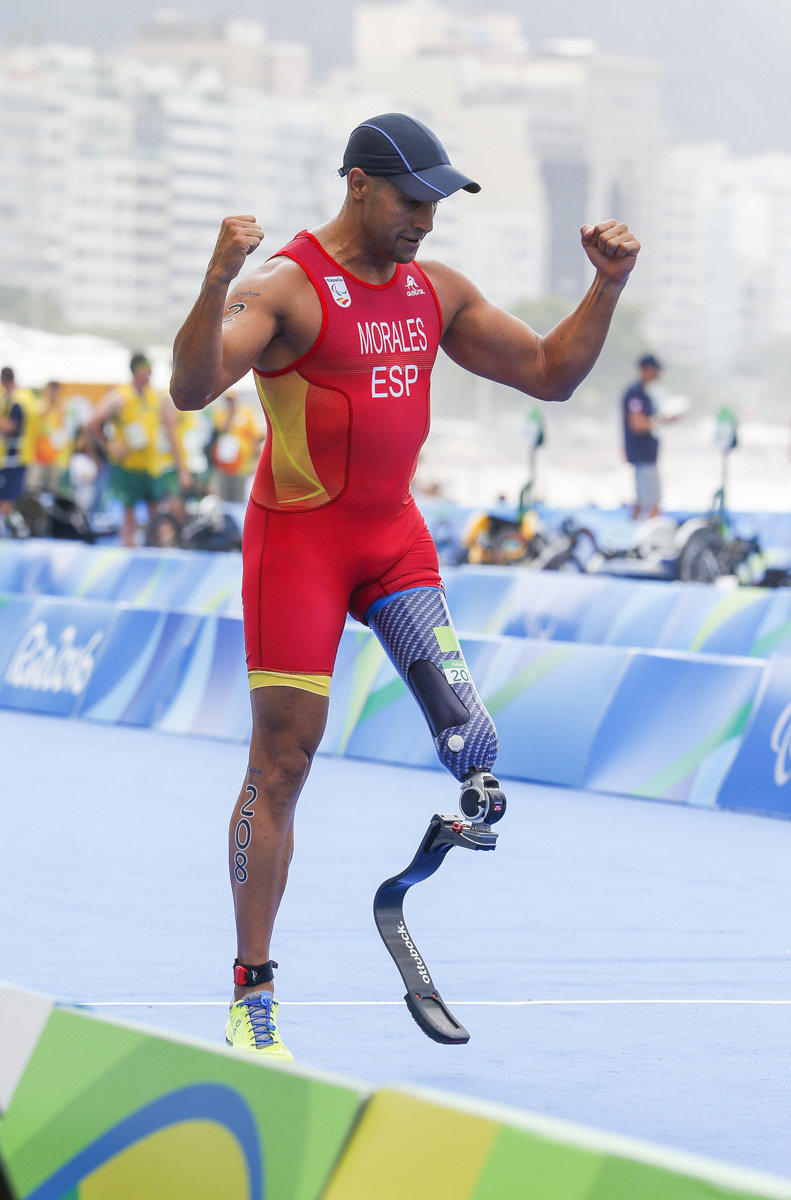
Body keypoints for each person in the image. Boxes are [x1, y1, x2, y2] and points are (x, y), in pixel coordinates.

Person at [170, 111, 641, 1060]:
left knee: (476, 746)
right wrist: (217, 278)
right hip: (297, 548)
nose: (426, 217)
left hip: (392, 545)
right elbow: (191, 388)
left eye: (437, 201)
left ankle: (437, 849)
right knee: (283, 764)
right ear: (358, 185)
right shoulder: (286, 289)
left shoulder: (437, 292)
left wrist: (607, 284)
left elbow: (549, 374)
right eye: (412, 197)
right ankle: (251, 988)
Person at [87, 353, 190, 546]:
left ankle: (154, 553)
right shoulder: (120, 397)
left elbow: (172, 434)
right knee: (129, 516)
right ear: (135, 371)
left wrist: (182, 469)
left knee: (156, 516)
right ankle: (130, 554)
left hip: (151, 468)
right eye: (145, 369)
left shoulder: (158, 398)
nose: (149, 373)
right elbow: (93, 423)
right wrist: (109, 446)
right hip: (128, 468)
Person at [621, 353, 676, 519]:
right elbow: (637, 424)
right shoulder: (636, 394)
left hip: (646, 453)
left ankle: (638, 526)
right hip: (642, 453)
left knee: (642, 496)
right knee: (651, 499)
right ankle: (649, 533)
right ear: (647, 370)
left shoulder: (645, 394)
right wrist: (663, 420)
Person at [0, 366, 29, 526]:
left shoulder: (15, 401)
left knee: (7, 497)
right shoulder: (22, 398)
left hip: (14, 458)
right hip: (14, 457)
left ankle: (7, 528)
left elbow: (11, 427)